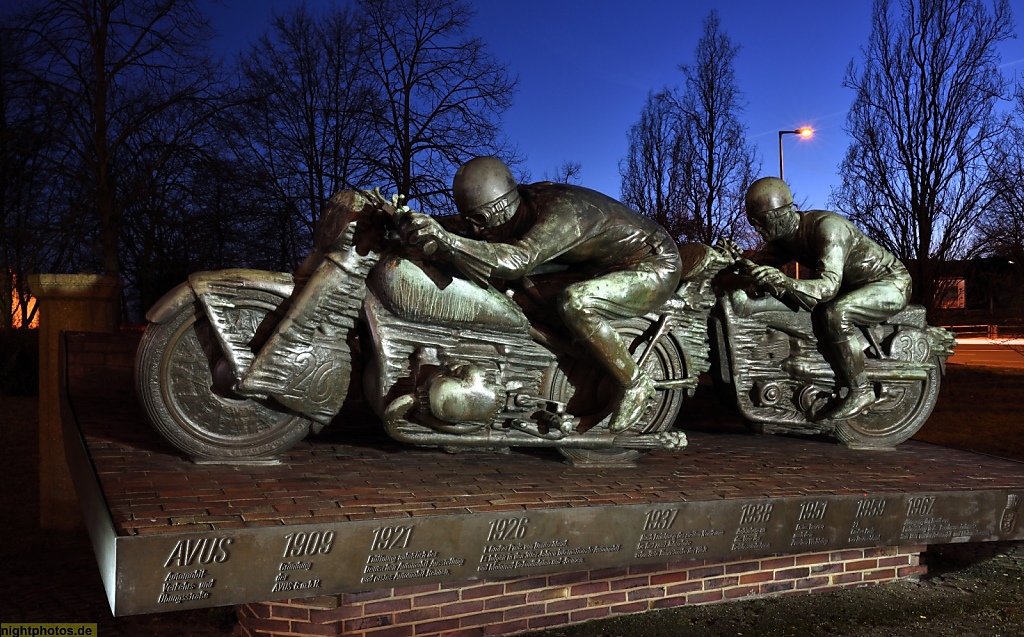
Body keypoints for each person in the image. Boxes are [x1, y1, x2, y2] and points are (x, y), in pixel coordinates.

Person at [400, 156, 682, 433]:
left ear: (502, 205)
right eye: (470, 219)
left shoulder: (562, 213)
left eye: (481, 219)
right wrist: (414, 221)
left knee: (576, 303)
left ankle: (634, 382)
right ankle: (568, 356)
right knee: (519, 295)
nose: (476, 229)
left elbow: (517, 261)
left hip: (653, 265)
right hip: (599, 264)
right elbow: (460, 227)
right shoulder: (517, 204)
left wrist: (447, 241)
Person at [737, 176, 913, 420]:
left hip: (889, 283)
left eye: (762, 221)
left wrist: (784, 281)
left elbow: (829, 287)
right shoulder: (783, 238)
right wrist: (735, 261)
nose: (758, 229)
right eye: (753, 223)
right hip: (851, 286)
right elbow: (758, 265)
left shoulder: (827, 228)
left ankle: (860, 390)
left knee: (835, 312)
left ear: (784, 213)